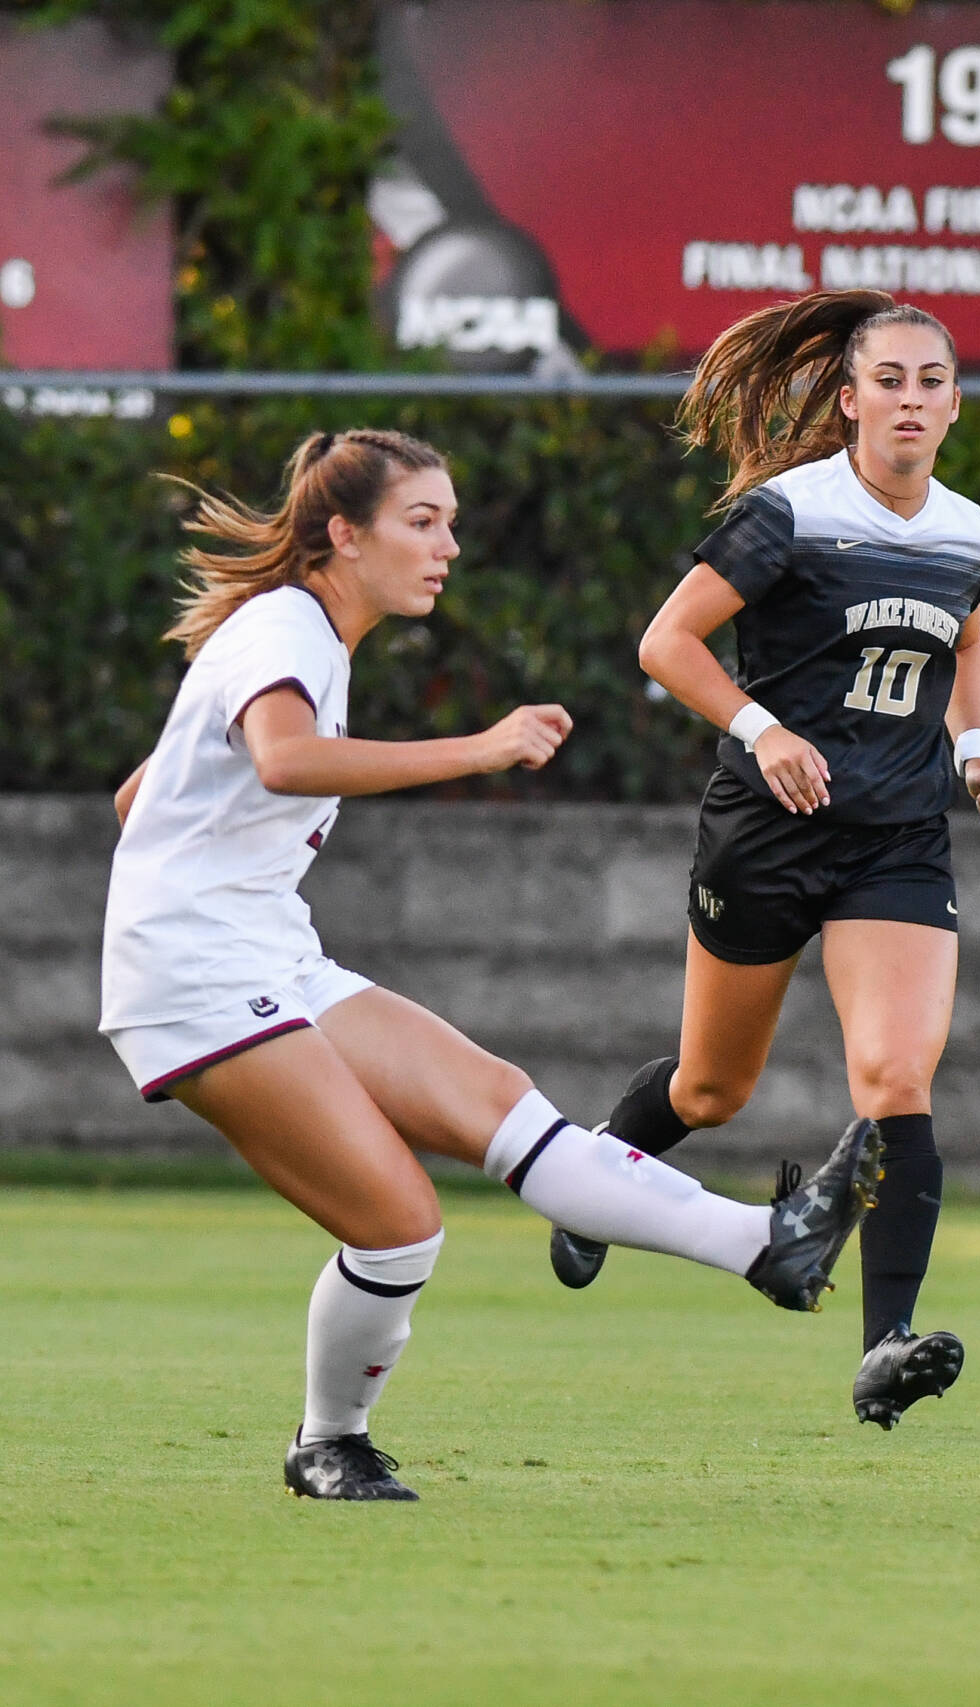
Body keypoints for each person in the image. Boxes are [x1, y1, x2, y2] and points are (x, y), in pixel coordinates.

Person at [102, 428, 886, 1501]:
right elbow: (282, 761)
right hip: (193, 974)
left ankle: (771, 1244)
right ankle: (331, 1442)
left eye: (451, 523)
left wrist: (192, 811)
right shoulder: (285, 624)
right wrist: (479, 747)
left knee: (499, 1103)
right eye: (421, 522)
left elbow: (137, 799)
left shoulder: (298, 637)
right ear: (344, 534)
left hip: (264, 950)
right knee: (398, 1225)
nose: (448, 546)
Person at [544, 290, 980, 1429]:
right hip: (767, 829)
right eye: (889, 381)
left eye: (931, 381)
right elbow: (665, 641)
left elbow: (959, 639)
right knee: (712, 1088)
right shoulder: (787, 513)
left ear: (955, 404)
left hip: (897, 839)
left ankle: (884, 1345)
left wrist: (975, 751)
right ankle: (589, 1178)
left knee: (896, 1082)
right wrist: (766, 732)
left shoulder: (967, 529)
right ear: (848, 402)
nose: (911, 399)